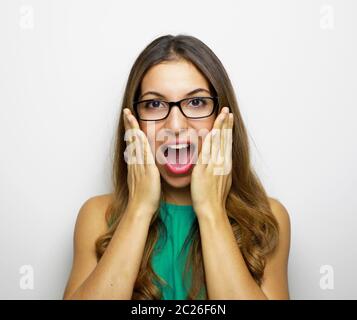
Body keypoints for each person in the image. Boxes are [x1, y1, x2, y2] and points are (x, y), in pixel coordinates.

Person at [63, 34, 291, 300]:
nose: (175, 127)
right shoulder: (98, 216)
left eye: (196, 102)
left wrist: (210, 210)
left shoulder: (268, 219)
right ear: (133, 121)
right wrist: (139, 209)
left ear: (223, 117)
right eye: (154, 104)